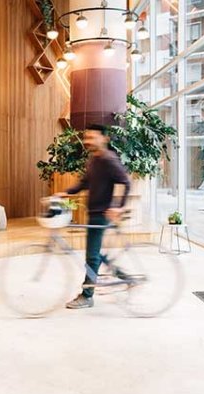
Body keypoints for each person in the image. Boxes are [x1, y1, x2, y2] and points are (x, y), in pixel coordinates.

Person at [55, 124, 130, 309]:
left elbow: (126, 182)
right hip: (93, 213)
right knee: (95, 255)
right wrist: (64, 193)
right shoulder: (94, 160)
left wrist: (119, 207)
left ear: (104, 139)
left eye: (92, 137)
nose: (88, 140)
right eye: (87, 137)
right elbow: (83, 183)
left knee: (92, 257)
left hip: (101, 214)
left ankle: (87, 296)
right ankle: (124, 277)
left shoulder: (108, 159)